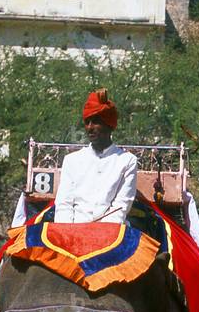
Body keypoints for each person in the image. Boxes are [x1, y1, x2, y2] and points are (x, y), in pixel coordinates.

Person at [54, 89, 138, 225]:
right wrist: (67, 233)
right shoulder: (72, 160)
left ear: (109, 126)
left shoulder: (127, 161)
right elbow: (64, 204)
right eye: (87, 122)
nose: (90, 127)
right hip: (71, 231)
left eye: (96, 122)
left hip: (111, 232)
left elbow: (121, 206)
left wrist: (98, 235)